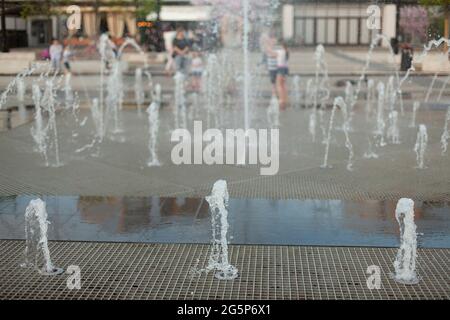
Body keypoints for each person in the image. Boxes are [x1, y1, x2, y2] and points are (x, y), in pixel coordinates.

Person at [275, 41, 289, 110]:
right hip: (285, 68)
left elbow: (271, 53)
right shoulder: (286, 51)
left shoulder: (280, 51)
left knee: (279, 85)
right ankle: (285, 99)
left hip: (281, 68)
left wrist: (267, 46)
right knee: (283, 85)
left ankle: (281, 100)